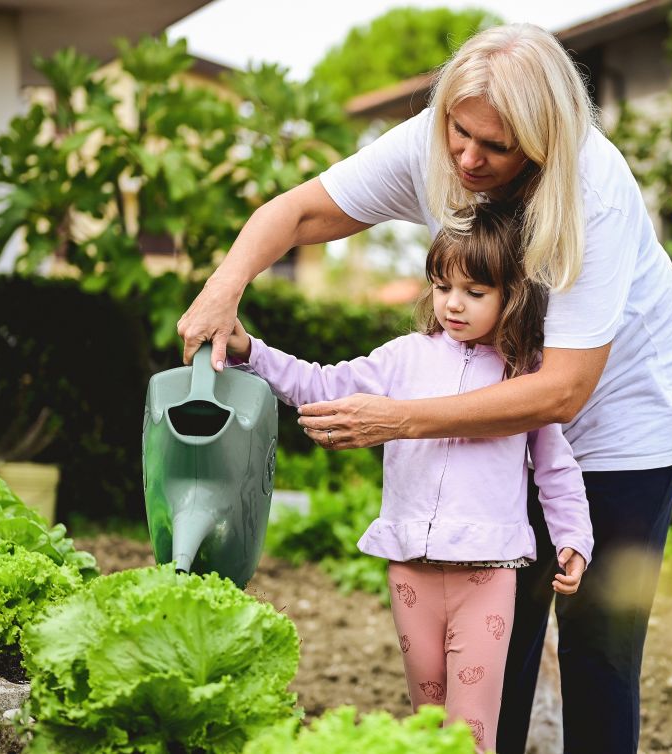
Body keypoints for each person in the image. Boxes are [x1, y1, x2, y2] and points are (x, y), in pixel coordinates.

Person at [177, 23, 672, 754]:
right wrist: (224, 287)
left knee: (600, 648)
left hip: (624, 414)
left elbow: (561, 393)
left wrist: (398, 419)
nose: (467, 156)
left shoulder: (593, 191)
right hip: (500, 403)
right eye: (460, 130)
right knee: (496, 642)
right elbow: (297, 211)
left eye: (496, 145)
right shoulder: (434, 142)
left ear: (544, 139)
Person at [224, 203, 594, 753]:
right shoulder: (403, 358)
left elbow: (556, 468)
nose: (454, 304)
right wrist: (251, 350)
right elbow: (323, 385)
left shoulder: (524, 378)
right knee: (426, 726)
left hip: (486, 576)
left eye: (475, 291)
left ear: (510, 295)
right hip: (410, 574)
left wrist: (573, 539)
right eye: (443, 286)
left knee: (469, 735)